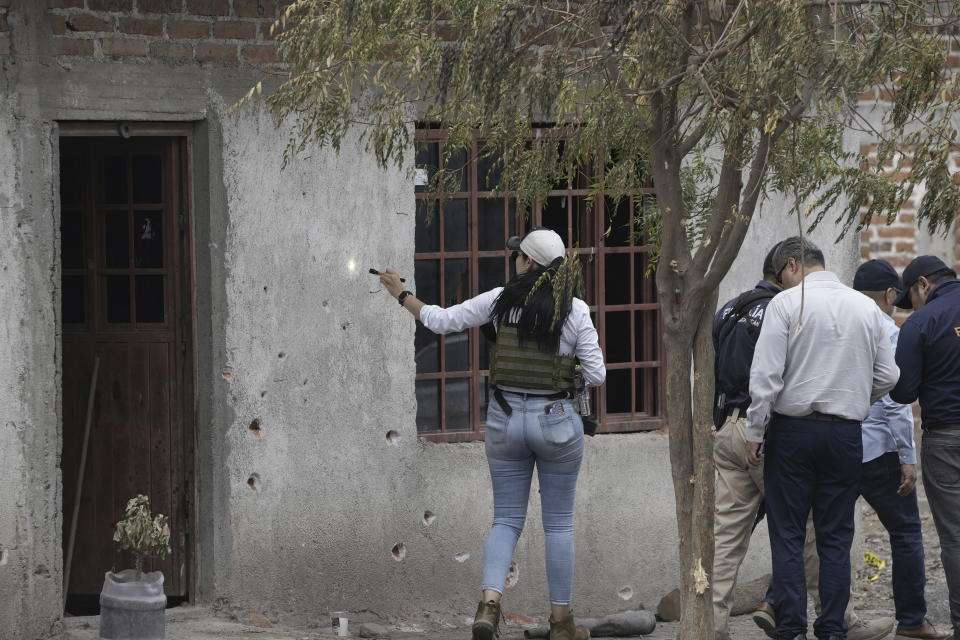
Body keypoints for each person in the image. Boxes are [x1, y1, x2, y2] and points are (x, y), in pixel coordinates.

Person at [378, 227, 606, 640]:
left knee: (505, 520)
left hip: (504, 420)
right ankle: (561, 623)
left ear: (529, 263)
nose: (515, 260)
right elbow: (597, 374)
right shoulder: (574, 311)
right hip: (555, 421)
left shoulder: (498, 302)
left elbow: (440, 320)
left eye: (519, 256)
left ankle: (488, 607)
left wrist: (399, 292)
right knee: (558, 526)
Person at [712, 245, 891, 640]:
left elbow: (766, 379)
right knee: (835, 534)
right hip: (845, 433)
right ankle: (832, 627)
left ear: (793, 265)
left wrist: (756, 435)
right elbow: (889, 374)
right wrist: (856, 398)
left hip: (791, 431)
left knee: (788, 531)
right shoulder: (865, 308)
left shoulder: (787, 303)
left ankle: (791, 625)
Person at [847, 260, 949, 640]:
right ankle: (911, 621)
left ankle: (816, 616)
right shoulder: (887, 330)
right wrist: (907, 457)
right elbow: (895, 403)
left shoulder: (838, 324)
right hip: (879, 451)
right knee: (905, 533)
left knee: (831, 533)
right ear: (890, 294)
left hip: (837, 445)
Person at [712, 242, 782, 640]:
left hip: (726, 428)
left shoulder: (730, 307)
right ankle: (837, 618)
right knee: (804, 528)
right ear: (787, 270)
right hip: (762, 432)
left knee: (727, 535)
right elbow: (771, 381)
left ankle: (713, 624)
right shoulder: (782, 311)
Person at [890, 255, 960, 640]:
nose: (912, 306)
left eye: (910, 298)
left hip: (947, 438)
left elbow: (902, 392)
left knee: (954, 536)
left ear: (923, 285)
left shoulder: (921, 322)